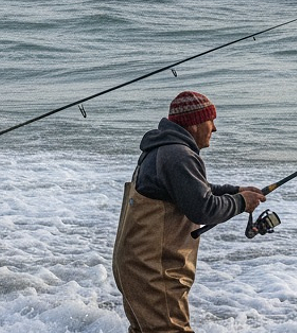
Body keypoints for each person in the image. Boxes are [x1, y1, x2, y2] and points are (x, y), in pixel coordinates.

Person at [112, 90, 265, 333]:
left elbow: (192, 189)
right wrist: (241, 202)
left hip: (135, 263)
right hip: (153, 268)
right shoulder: (178, 155)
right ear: (194, 124)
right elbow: (202, 208)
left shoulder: (163, 148)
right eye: (210, 120)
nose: (214, 128)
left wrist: (236, 190)